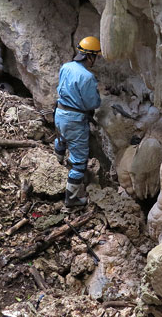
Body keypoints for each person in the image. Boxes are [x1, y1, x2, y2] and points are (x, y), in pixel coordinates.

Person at [54, 36, 102, 207]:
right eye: (95, 56)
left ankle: (57, 162)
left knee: (61, 138)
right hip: (74, 119)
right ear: (90, 56)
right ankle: (72, 198)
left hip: (59, 113)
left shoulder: (65, 67)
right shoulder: (88, 77)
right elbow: (92, 103)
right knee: (80, 160)